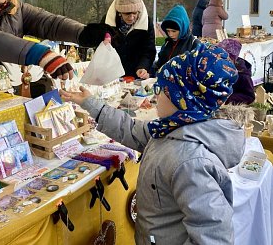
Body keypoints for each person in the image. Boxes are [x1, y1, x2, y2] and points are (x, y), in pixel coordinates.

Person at [60, 42, 245, 245]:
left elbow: (213, 237)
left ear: (182, 99)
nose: (155, 95)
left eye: (162, 89)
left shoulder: (190, 162)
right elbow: (130, 129)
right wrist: (91, 103)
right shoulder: (172, 130)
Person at [102, 0, 156, 79]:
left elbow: (149, 50)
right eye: (127, 14)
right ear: (119, 12)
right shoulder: (106, 21)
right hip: (112, 75)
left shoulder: (147, 22)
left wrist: (143, 67)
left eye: (134, 13)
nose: (131, 17)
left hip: (136, 74)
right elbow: (99, 45)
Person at [153, 4, 200, 72]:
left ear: (183, 28)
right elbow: (159, 64)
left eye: (174, 31)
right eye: (168, 31)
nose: (170, 34)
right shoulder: (167, 44)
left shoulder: (194, 44)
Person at [218, 38, 255, 105]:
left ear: (233, 59)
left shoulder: (242, 74)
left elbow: (249, 96)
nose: (220, 59)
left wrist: (228, 98)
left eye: (224, 57)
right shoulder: (216, 65)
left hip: (228, 108)